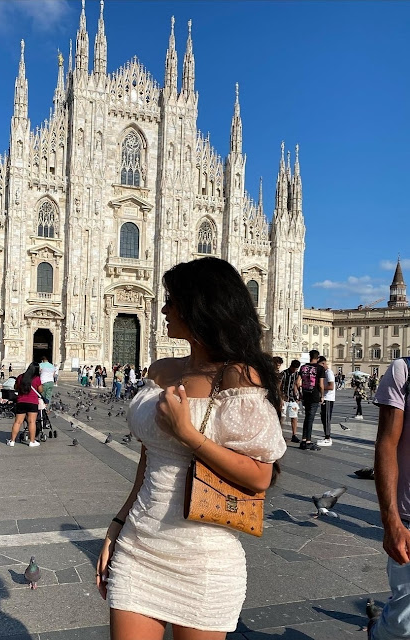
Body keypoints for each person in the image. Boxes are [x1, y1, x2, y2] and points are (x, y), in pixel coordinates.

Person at [96, 257, 286, 639]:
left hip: (203, 559)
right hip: (139, 546)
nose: (163, 309)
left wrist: (188, 434)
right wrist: (117, 525)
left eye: (172, 301)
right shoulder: (161, 370)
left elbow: (259, 477)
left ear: (200, 306)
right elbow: (149, 459)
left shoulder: (237, 377)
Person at [368, 357, 410, 639]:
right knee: (403, 624)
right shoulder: (403, 371)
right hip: (409, 518)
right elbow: (386, 444)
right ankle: (377, 632)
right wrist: (391, 520)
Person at [6, 362, 43, 448]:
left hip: (21, 401)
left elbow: (15, 387)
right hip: (32, 402)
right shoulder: (36, 378)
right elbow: (40, 390)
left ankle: (12, 441)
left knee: (18, 422)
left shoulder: (20, 377)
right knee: (32, 422)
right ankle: (32, 441)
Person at [295, 350, 325, 451]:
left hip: (305, 394)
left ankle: (304, 440)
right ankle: (308, 441)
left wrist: (300, 393)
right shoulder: (320, 368)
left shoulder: (303, 367)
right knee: (310, 418)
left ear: (310, 356)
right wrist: (322, 395)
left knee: (307, 417)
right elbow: (321, 385)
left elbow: (297, 382)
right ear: (318, 358)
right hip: (314, 395)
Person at [280, 359, 301, 443]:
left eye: (296, 369)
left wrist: (298, 396)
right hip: (284, 398)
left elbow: (297, 385)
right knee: (282, 417)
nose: (295, 370)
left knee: (294, 417)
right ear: (291, 366)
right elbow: (279, 385)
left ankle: (294, 435)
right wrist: (280, 398)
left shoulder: (297, 374)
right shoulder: (284, 373)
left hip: (292, 399)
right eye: (294, 368)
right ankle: (279, 434)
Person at [317, 356, 335, 446]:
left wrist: (320, 388)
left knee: (327, 418)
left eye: (319, 365)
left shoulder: (329, 373)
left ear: (323, 363)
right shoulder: (324, 372)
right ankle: (326, 436)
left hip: (328, 398)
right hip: (325, 397)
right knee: (323, 418)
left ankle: (328, 438)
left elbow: (331, 386)